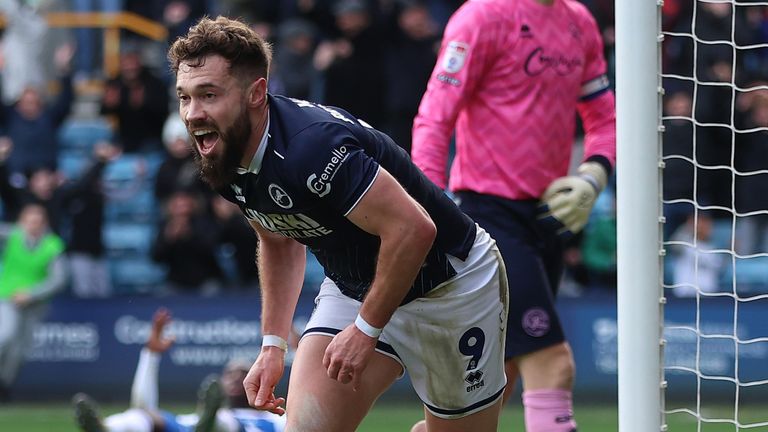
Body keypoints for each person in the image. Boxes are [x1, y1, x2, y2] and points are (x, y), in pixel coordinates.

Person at [169, 16, 509, 432]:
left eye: (208, 95)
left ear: (257, 93)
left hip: (450, 285)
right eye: (184, 97)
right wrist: (273, 344)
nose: (193, 113)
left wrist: (365, 330)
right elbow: (277, 239)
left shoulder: (311, 148)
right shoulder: (223, 152)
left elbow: (414, 230)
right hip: (354, 287)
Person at [410, 1, 616, 431]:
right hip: (486, 214)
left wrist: (594, 173)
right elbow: (435, 114)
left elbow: (604, 117)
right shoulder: (482, 17)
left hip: (551, 218)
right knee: (551, 361)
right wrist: (430, 210)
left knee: (495, 385)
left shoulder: (579, 22)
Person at [72, 308, 287, 432]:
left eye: (243, 374)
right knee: (142, 415)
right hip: (200, 425)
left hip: (230, 426)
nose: (236, 378)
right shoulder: (196, 418)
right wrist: (150, 355)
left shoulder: (278, 420)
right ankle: (105, 429)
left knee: (224, 422)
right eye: (230, 374)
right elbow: (145, 408)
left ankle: (212, 426)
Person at [0, 203, 68, 402]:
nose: (33, 225)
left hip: (34, 305)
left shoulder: (52, 245)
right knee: (5, 335)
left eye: (37, 221)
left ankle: (4, 386)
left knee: (20, 350)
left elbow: (59, 279)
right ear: (21, 222)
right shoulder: (11, 235)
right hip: (7, 297)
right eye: (29, 221)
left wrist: (32, 293)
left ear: (44, 223)